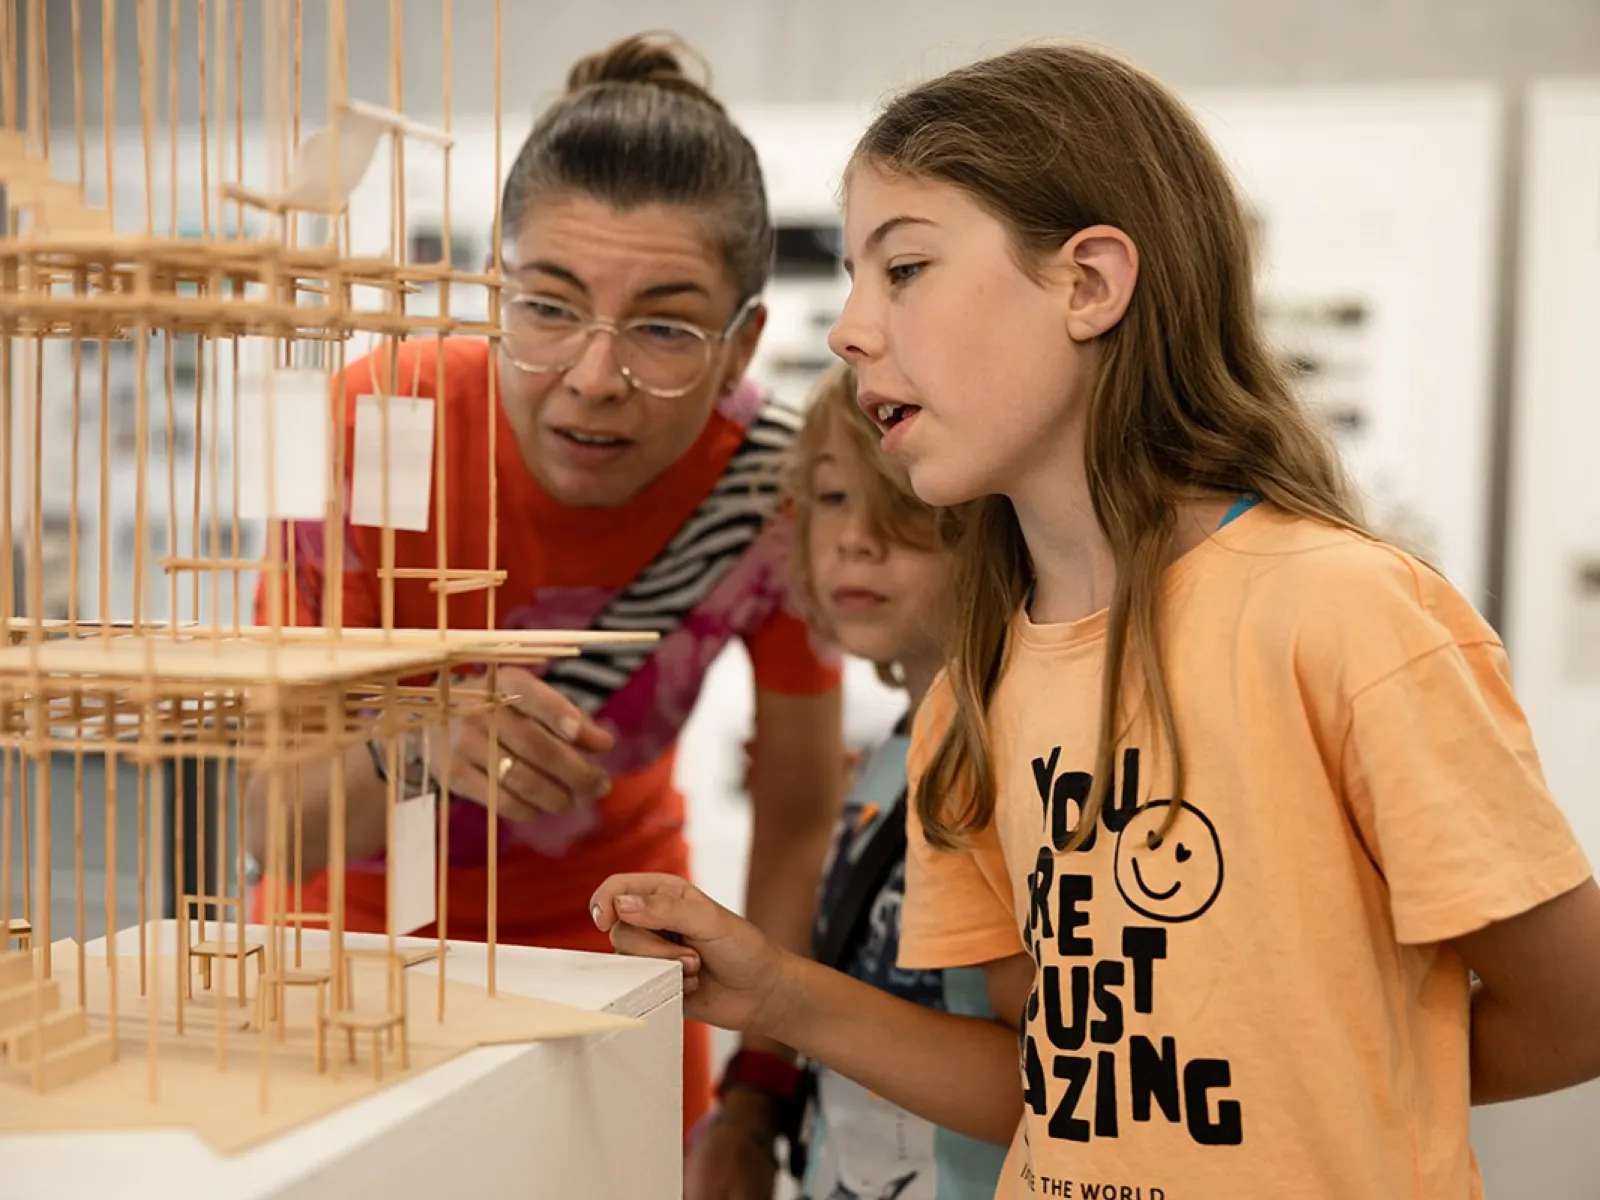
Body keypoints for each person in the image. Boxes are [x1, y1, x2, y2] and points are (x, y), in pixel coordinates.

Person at [589, 40, 1600, 1199]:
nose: (850, 329)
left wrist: (1337, 1081)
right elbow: (1047, 1080)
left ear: (1088, 283)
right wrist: (771, 991)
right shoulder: (973, 691)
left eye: (905, 266)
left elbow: (1571, 1014)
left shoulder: (1346, 617)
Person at [243, 31, 846, 1179]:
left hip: (615, 962)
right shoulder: (382, 424)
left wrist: (757, 1091)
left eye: (666, 328)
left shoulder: (774, 485)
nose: (593, 377)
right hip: (347, 963)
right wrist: (416, 745)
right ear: (492, 291)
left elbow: (798, 815)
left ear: (742, 349)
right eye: (548, 307)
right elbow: (274, 817)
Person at [762, 363, 1007, 1199]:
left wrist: (776, 997)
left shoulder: (1005, 751)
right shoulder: (891, 750)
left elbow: (1044, 1080)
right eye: (831, 496)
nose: (855, 537)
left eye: (901, 495)